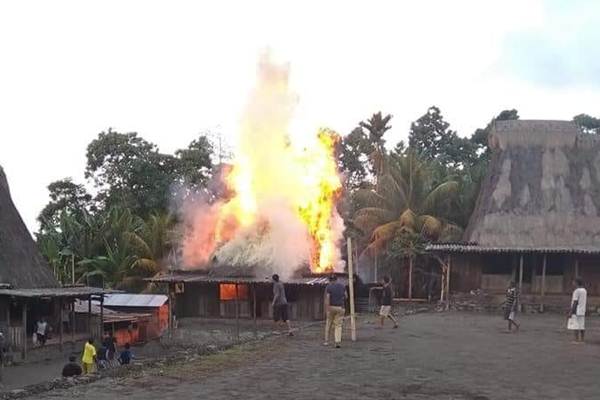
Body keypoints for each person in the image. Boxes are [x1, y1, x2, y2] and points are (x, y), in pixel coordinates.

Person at [324, 274, 346, 348]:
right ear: (337, 279)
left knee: (329, 323)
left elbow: (328, 298)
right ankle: (337, 342)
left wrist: (327, 308)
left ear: (330, 280)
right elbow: (346, 296)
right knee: (338, 325)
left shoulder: (329, 287)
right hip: (341, 308)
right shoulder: (343, 286)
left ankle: (327, 341)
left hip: (332, 307)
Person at [568, 277, 587, 343]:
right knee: (582, 326)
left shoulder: (576, 291)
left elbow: (575, 302)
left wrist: (571, 311)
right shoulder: (584, 290)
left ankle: (576, 340)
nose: (572, 283)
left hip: (576, 310)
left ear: (576, 282)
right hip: (582, 310)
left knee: (575, 326)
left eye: (573, 282)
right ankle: (582, 340)